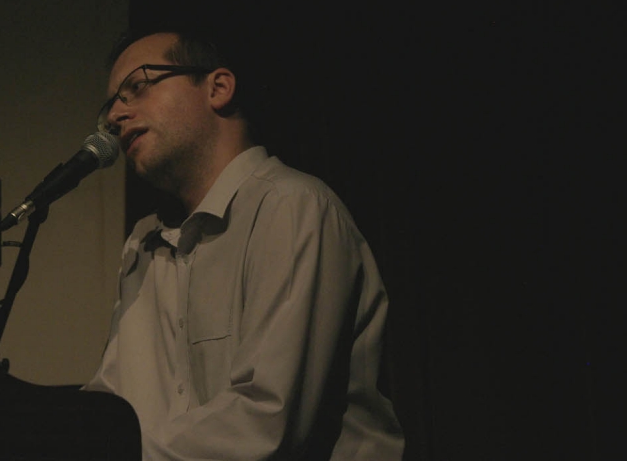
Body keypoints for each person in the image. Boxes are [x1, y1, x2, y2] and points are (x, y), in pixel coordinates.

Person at [83, 29, 404, 460]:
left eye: (137, 87)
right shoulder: (143, 243)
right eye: (110, 104)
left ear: (218, 88)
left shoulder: (291, 207)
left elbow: (266, 421)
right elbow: (115, 402)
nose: (115, 116)